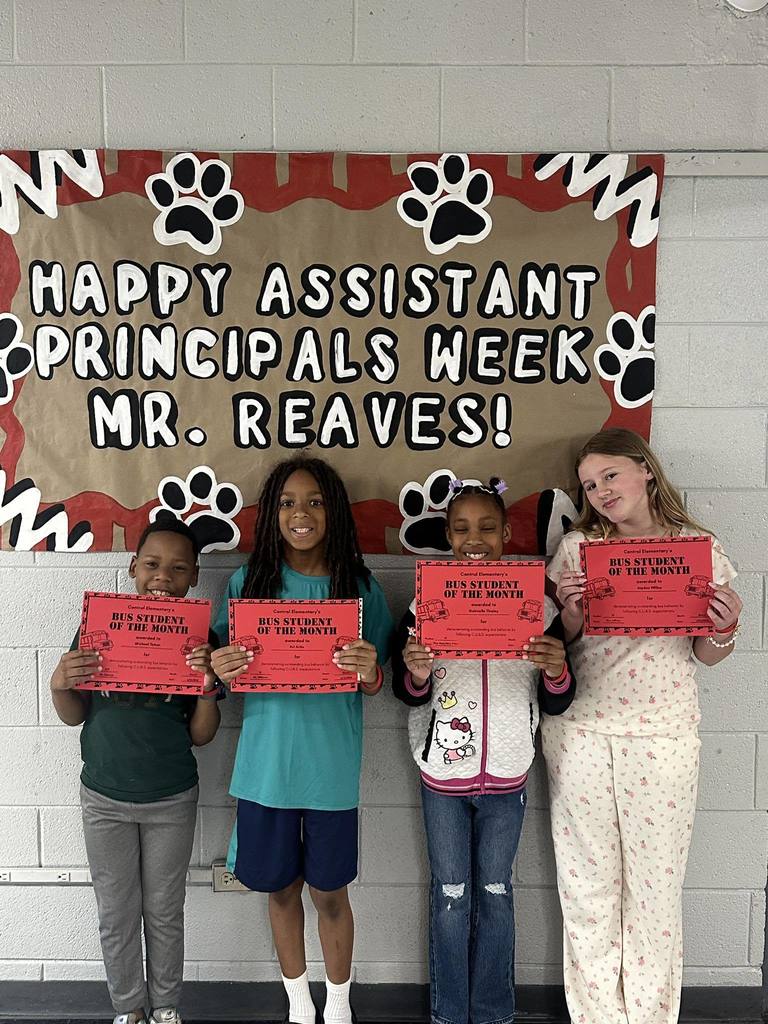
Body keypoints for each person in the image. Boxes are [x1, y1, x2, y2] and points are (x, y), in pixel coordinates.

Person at [543, 428, 742, 1024]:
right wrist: (573, 610)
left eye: (610, 476)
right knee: (587, 892)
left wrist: (725, 627)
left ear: (646, 471)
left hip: (664, 736)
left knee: (655, 895)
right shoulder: (578, 549)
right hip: (582, 734)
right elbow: (558, 646)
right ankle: (597, 1017)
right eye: (588, 484)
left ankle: (651, 1017)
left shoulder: (699, 548)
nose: (600, 491)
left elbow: (706, 655)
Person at [210, 457, 393, 1024]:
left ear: (333, 511)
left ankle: (338, 1005)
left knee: (330, 893)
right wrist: (222, 666)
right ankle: (297, 1003)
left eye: (314, 501)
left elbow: (377, 680)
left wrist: (369, 670)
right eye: (287, 503)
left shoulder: (360, 587)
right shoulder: (247, 583)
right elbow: (217, 669)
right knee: (281, 889)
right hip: (265, 770)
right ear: (272, 516)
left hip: (330, 771)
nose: (301, 513)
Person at [391, 477, 575, 1024]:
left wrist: (556, 669)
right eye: (463, 528)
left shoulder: (537, 605)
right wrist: (417, 672)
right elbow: (405, 691)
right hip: (443, 781)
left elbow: (559, 699)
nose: (476, 539)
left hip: (508, 780)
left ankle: (493, 1011)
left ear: (507, 533)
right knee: (451, 895)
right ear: (447, 535)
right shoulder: (426, 604)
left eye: (488, 528)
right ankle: (449, 1012)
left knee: (496, 893)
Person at [50, 520, 222, 1024]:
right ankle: (128, 1009)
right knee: (117, 913)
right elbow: (74, 713)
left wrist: (207, 685)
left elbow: (201, 734)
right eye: (151, 564)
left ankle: (165, 1007)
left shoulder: (200, 641)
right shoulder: (96, 626)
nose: (161, 577)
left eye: (177, 568)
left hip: (170, 798)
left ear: (193, 577)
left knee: (165, 912)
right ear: (132, 567)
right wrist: (60, 682)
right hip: (103, 796)